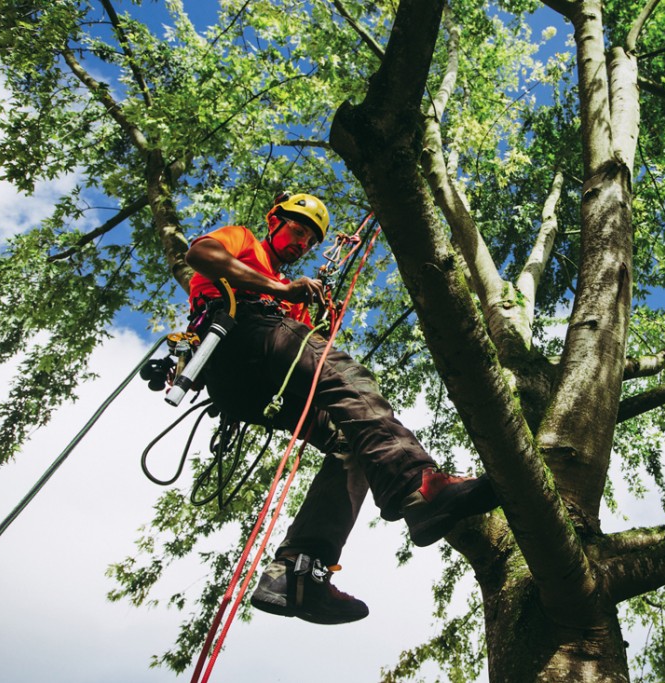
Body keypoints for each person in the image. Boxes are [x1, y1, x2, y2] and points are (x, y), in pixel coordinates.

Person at [184, 192, 498, 625]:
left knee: (350, 442)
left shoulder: (289, 298)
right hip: (239, 337)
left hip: (252, 382)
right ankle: (418, 485)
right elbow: (201, 254)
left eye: (310, 241)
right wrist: (280, 288)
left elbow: (300, 341)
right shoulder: (243, 242)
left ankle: (297, 572)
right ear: (274, 221)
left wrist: (310, 311)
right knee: (351, 380)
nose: (302, 244)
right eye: (297, 231)